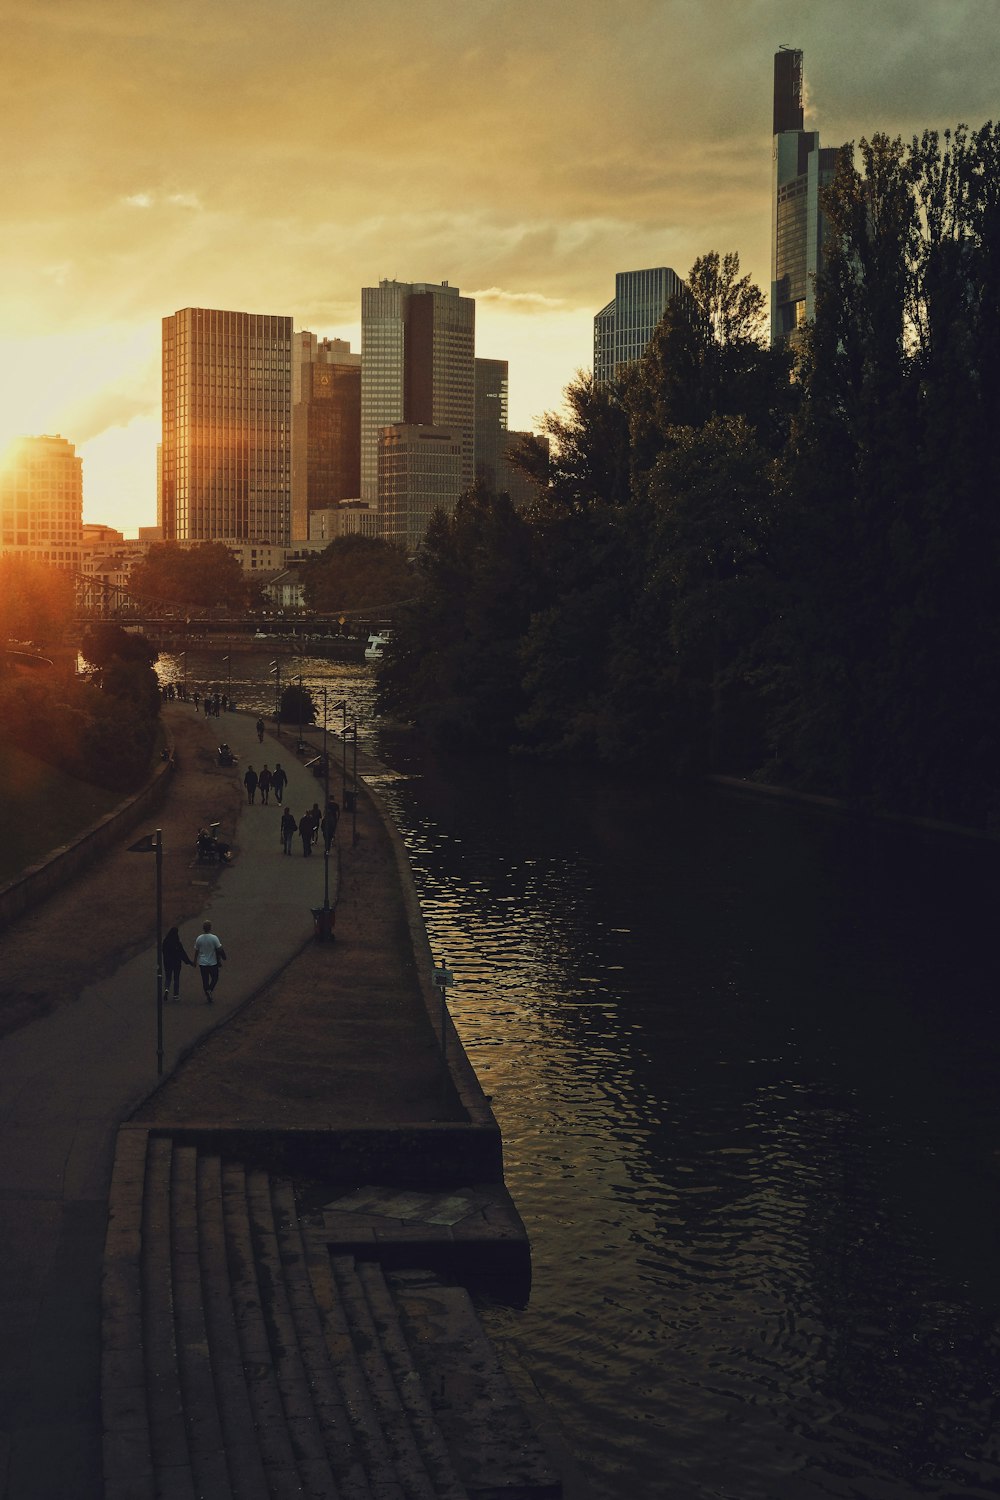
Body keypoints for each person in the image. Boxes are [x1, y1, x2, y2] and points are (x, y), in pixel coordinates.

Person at [193, 920, 226, 1002]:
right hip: (213, 963)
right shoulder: (214, 938)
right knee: (215, 978)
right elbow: (219, 949)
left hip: (202, 963)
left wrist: (194, 961)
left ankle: (208, 993)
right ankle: (210, 990)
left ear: (203, 928)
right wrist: (224, 956)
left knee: (205, 980)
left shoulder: (199, 938)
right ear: (210, 928)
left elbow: (196, 951)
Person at [161, 925, 193, 1001]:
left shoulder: (166, 941)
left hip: (167, 962)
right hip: (176, 963)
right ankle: (175, 995)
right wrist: (189, 962)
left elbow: (163, 951)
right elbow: (182, 953)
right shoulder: (177, 943)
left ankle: (166, 990)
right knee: (176, 978)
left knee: (168, 977)